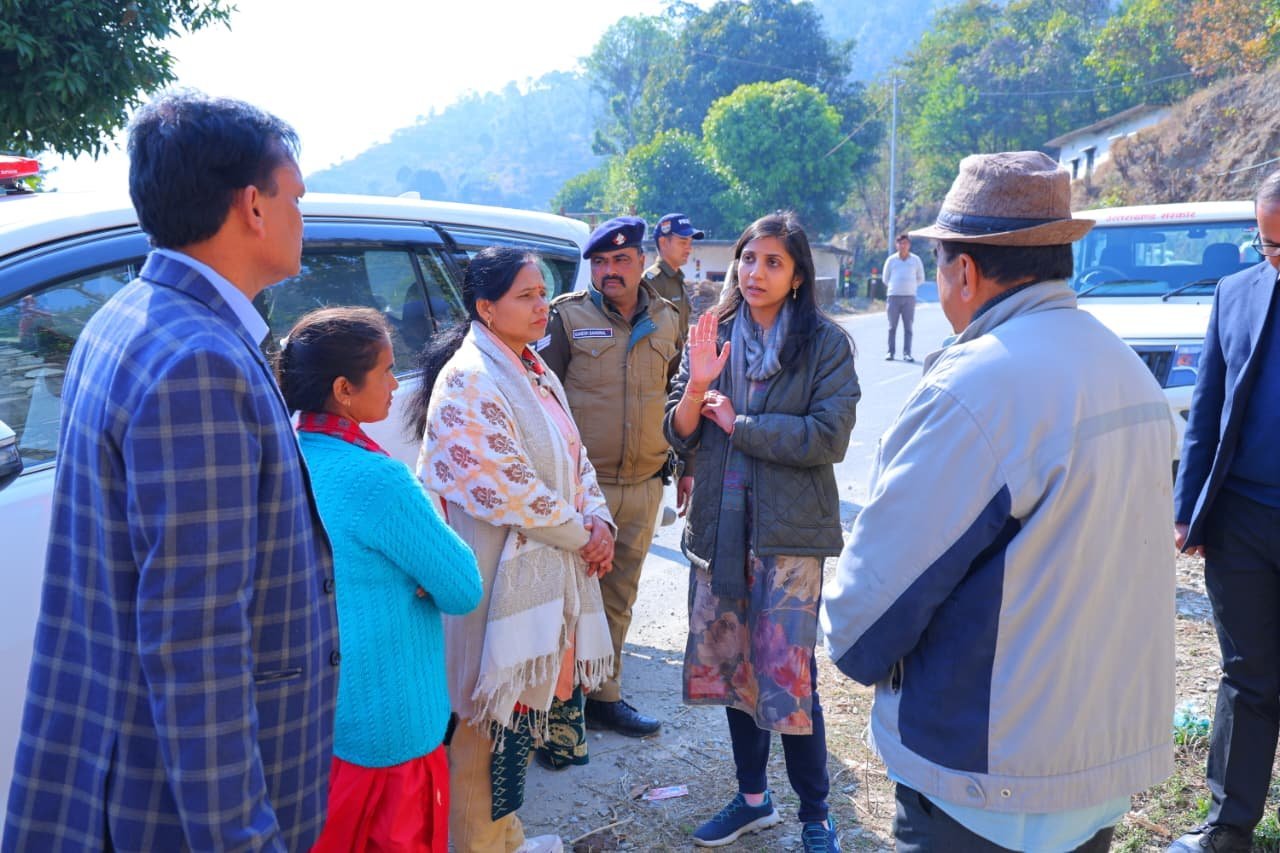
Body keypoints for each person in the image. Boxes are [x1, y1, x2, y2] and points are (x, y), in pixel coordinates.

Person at [3, 92, 339, 851]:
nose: (302, 217)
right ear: (253, 206)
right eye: (296, 197)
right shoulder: (199, 360)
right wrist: (243, 837)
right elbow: (197, 644)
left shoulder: (128, 316)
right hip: (174, 808)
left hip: (123, 758)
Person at [821, 151, 1178, 853]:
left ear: (964, 272)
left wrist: (844, 639)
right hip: (1096, 762)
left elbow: (871, 610)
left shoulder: (979, 386)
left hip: (989, 770)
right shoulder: (1126, 367)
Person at [665, 211, 860, 852]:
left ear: (798, 275)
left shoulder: (825, 344)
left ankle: (816, 816)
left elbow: (828, 437)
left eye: (774, 262)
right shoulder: (714, 332)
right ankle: (753, 800)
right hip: (719, 532)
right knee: (734, 671)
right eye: (749, 258)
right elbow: (680, 432)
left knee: (788, 675)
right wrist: (697, 386)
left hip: (789, 538)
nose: (756, 272)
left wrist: (740, 424)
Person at [411, 246, 616, 853]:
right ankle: (477, 841)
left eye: (542, 293)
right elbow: (510, 488)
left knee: (516, 720)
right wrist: (584, 535)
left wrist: (598, 520)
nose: (541, 306)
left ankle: (504, 835)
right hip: (489, 574)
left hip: (541, 563)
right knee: (485, 719)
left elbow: (574, 457)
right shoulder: (471, 378)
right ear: (486, 307)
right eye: (526, 296)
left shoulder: (531, 367)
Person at [277, 307, 483, 853]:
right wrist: (420, 570)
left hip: (315, 720)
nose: (396, 384)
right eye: (387, 370)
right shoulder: (377, 480)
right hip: (391, 722)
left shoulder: (283, 457)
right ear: (343, 389)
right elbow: (463, 586)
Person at [1166, 169, 1280, 853]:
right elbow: (1206, 407)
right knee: (1246, 674)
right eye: (1269, 243)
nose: (1278, 257)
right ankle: (1228, 825)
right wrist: (1189, 508)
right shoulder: (1234, 293)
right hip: (1242, 519)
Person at [538, 216, 682, 738]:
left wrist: (683, 466)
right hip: (581, 491)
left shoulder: (668, 318)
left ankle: (604, 695)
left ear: (642, 261)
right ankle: (556, 709)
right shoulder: (567, 318)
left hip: (644, 483)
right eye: (600, 262)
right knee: (567, 600)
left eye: (621, 260)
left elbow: (676, 396)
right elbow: (540, 397)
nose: (610, 271)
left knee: (620, 597)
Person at [645, 211, 705, 343]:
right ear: (663, 243)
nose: (689, 249)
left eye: (690, 243)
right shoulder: (651, 280)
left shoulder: (677, 278)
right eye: (683, 243)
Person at [883, 233, 925, 361]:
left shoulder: (915, 260)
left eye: (905, 243)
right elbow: (885, 278)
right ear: (896, 245)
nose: (903, 245)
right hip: (893, 297)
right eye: (900, 243)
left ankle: (907, 353)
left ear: (909, 245)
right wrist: (895, 287)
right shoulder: (891, 260)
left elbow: (921, 278)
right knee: (892, 327)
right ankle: (890, 352)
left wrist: (911, 286)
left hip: (909, 298)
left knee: (908, 327)